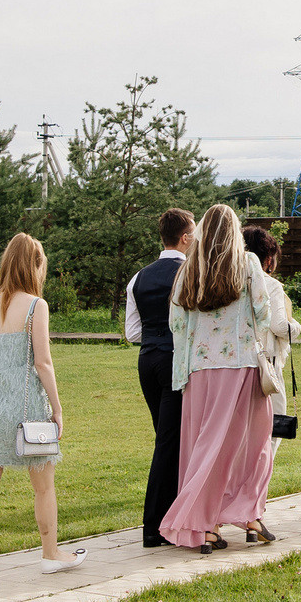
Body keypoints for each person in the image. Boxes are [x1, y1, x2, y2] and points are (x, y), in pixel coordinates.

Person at [0, 232, 84, 591]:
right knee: (43, 487)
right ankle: (50, 554)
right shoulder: (36, 306)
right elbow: (43, 363)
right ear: (35, 265)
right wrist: (58, 410)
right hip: (27, 409)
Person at [164, 205, 277, 551]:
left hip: (199, 369)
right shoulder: (248, 264)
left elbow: (177, 324)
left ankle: (205, 525)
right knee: (253, 444)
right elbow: (263, 310)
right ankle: (247, 512)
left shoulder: (188, 269)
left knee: (205, 446)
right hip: (241, 365)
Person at [123, 207, 195, 547]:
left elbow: (132, 332)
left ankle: (170, 516)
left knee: (168, 438)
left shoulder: (138, 277)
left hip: (146, 359)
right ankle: (154, 526)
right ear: (184, 238)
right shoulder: (190, 273)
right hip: (174, 362)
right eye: (193, 235)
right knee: (169, 443)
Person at [241, 224, 301, 518]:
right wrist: (297, 326)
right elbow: (280, 327)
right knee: (271, 434)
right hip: (268, 368)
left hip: (238, 366)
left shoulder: (231, 280)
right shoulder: (271, 285)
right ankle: (256, 502)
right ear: (268, 258)